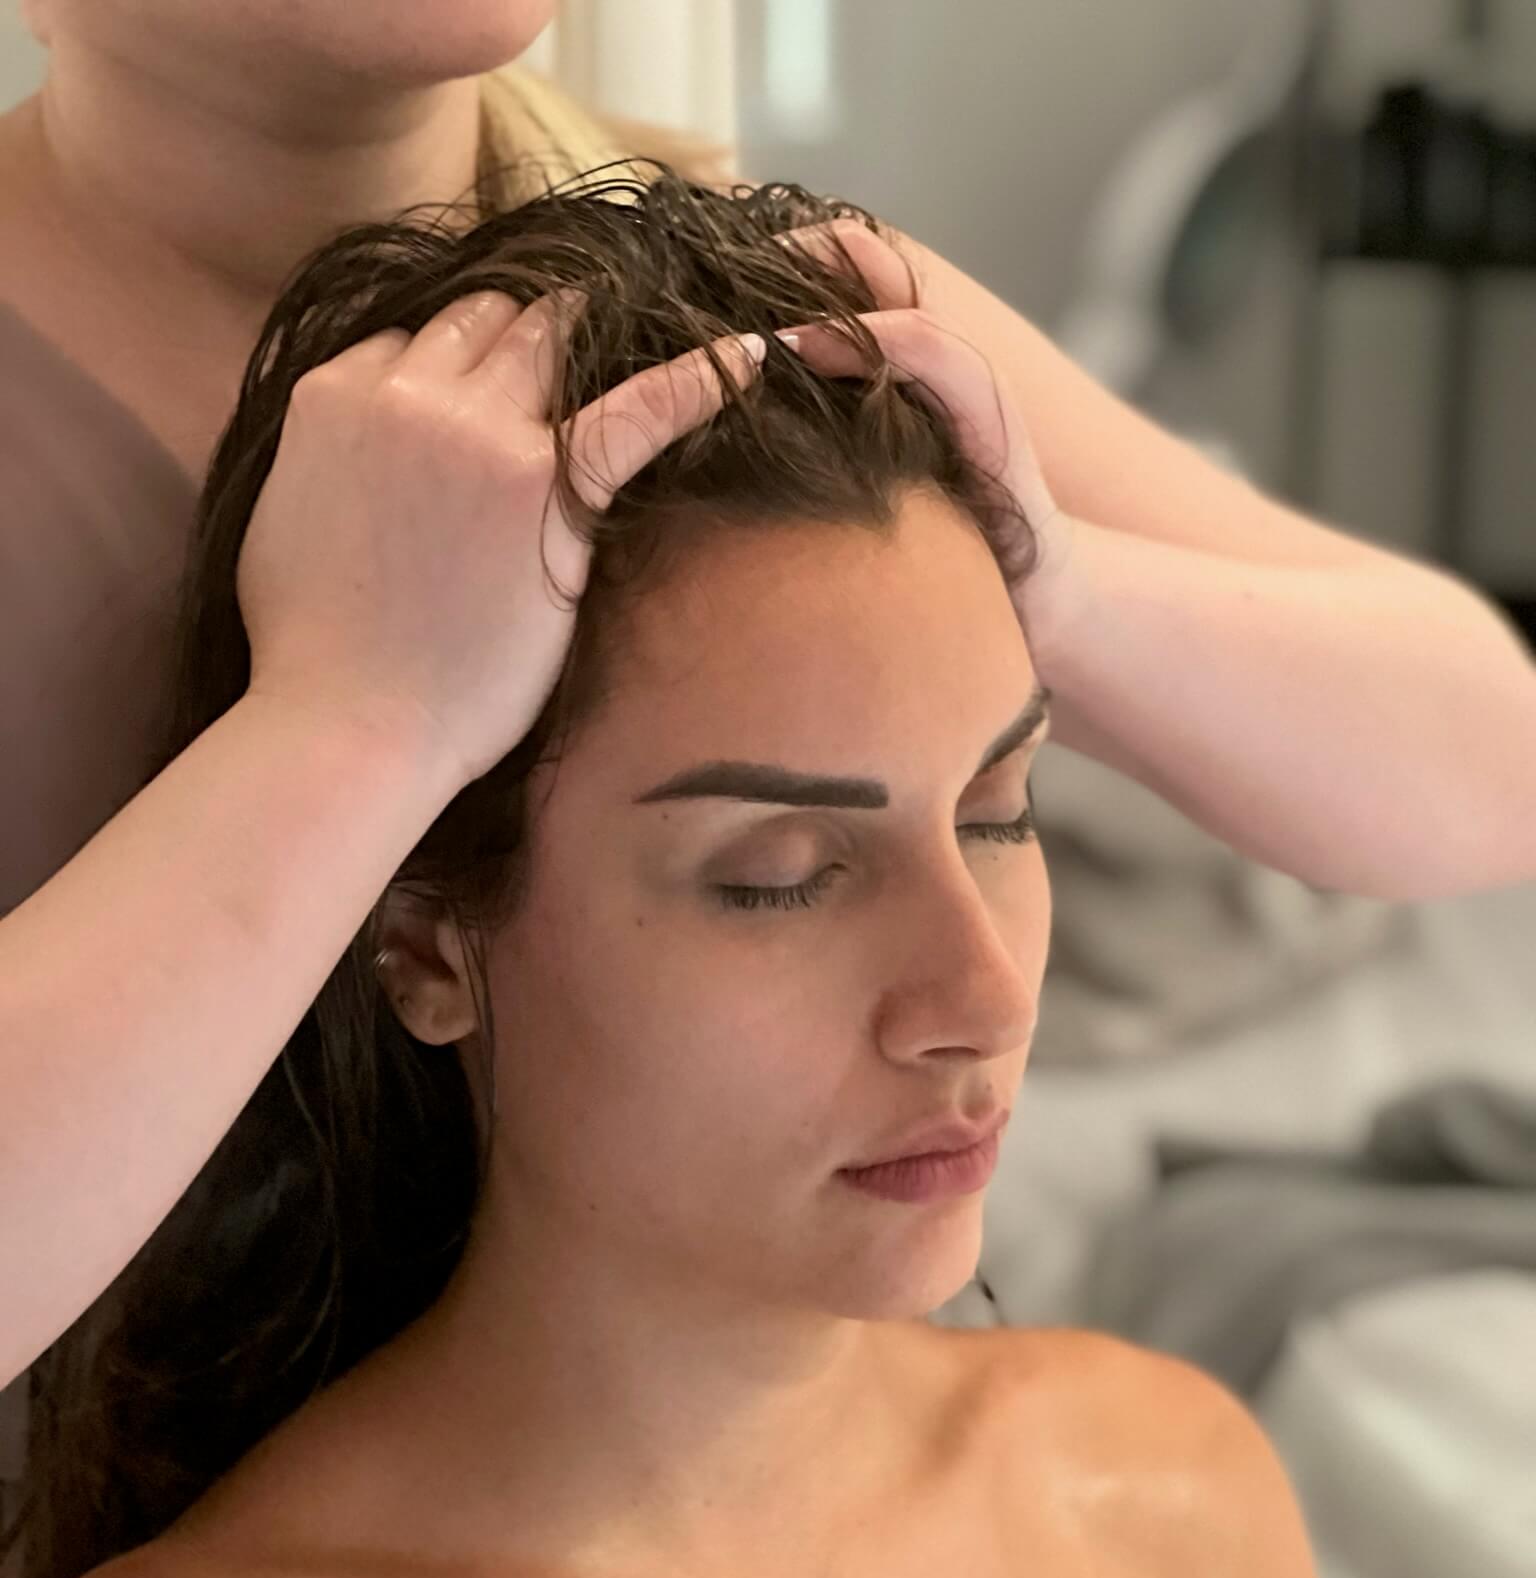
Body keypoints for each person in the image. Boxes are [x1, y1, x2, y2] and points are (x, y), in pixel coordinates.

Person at [0, 173, 1434, 1578]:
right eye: (780, 875)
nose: (982, 992)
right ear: (425, 942)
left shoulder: (1172, 1515)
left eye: (1000, 813)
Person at [3, 0, 1535, 1394]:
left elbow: (1484, 759)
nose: (985, 1006)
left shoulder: (741, 293)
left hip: (746, 1527)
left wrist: (1046, 581)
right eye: (771, 875)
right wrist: (355, 724)